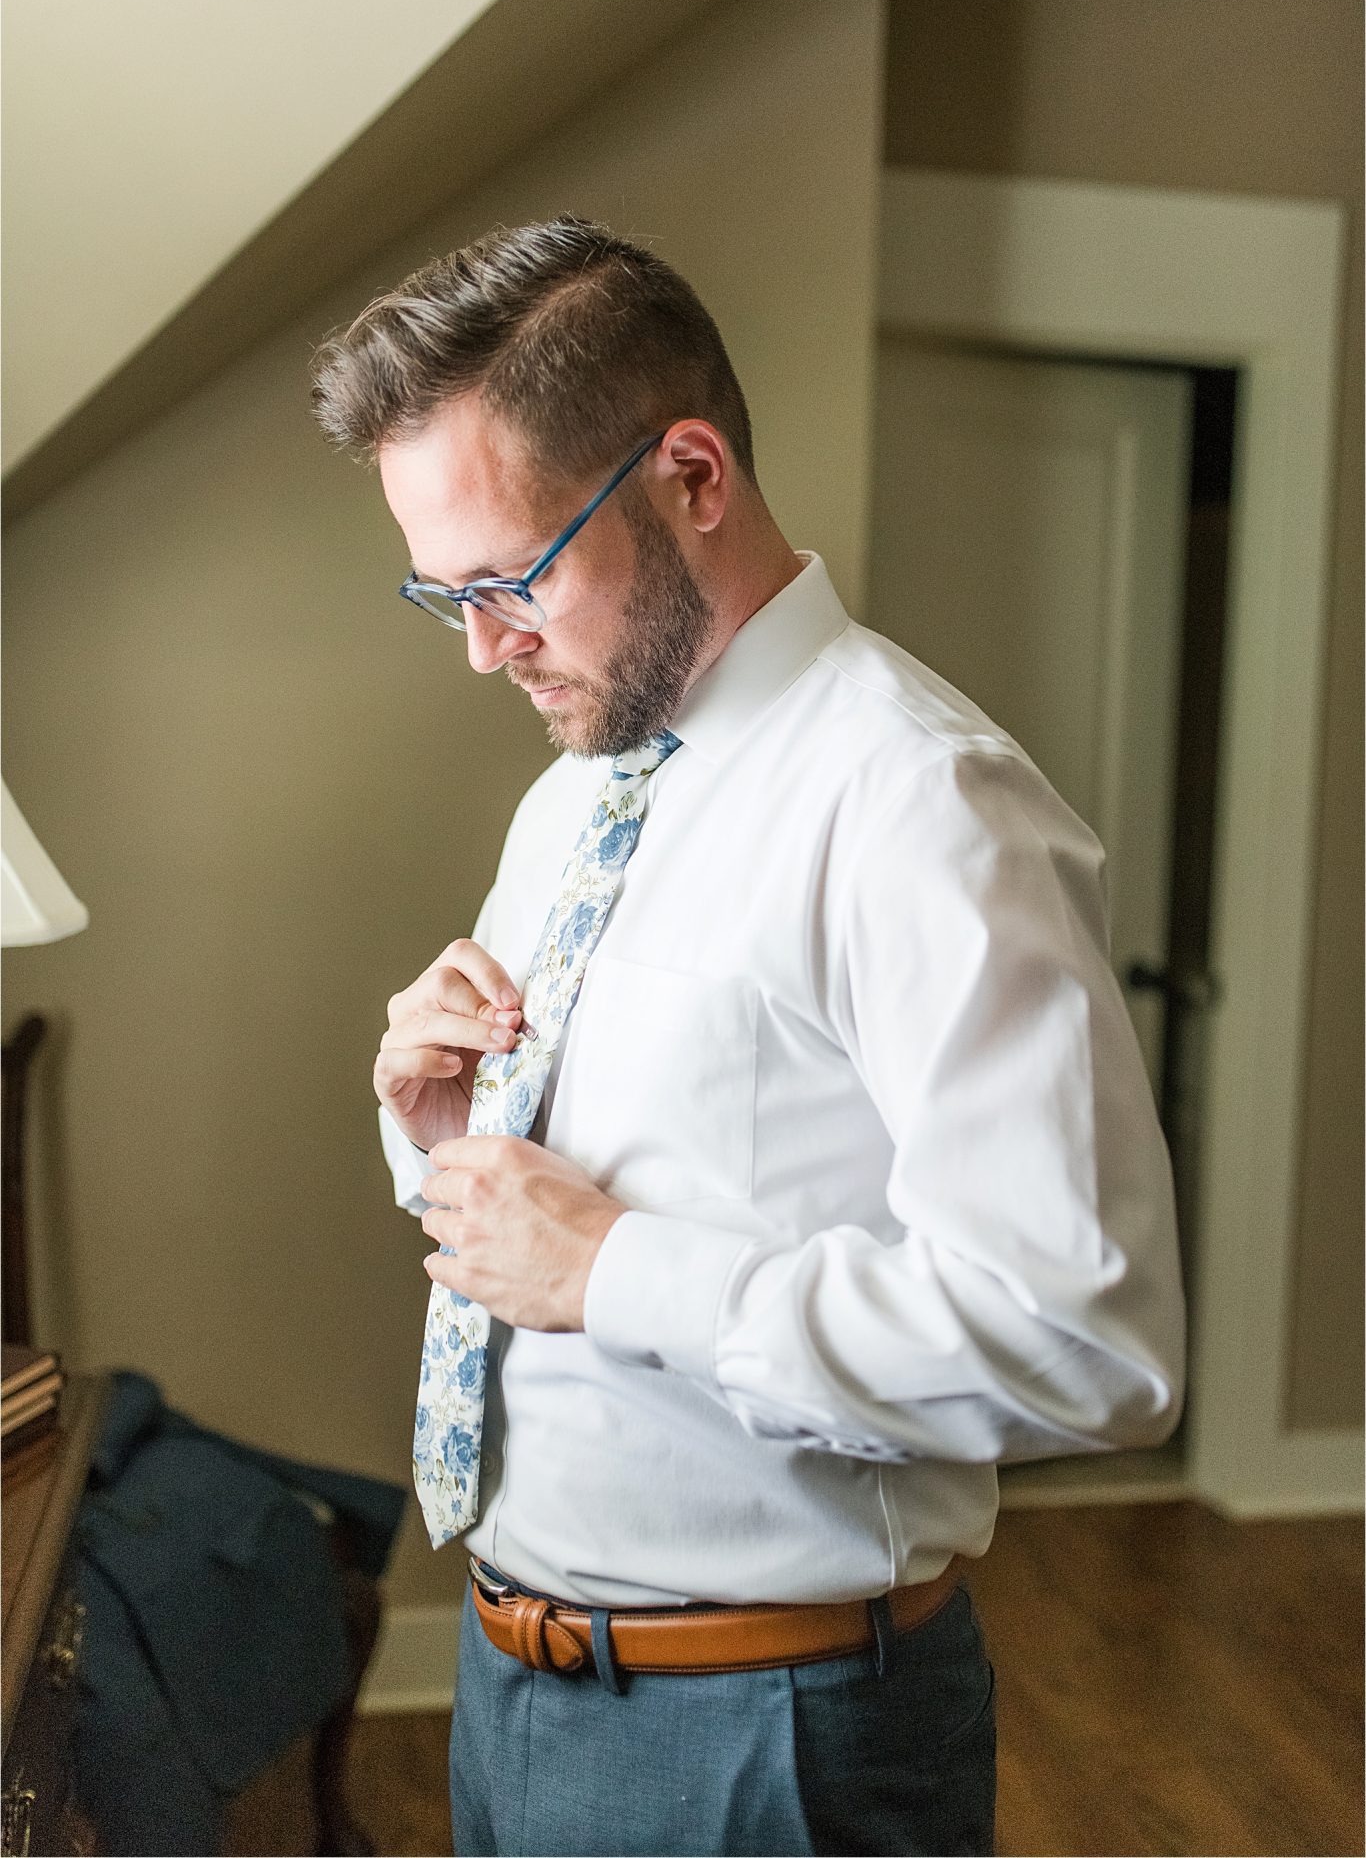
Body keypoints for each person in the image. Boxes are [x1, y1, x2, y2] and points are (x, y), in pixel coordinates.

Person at [310, 215, 1186, 1858]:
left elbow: (1088, 1337)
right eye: (445, 596)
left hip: (763, 1743)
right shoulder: (579, 790)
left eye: (512, 578)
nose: (486, 647)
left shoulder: (918, 803)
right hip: (521, 1695)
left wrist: (619, 1271)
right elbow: (601, 1199)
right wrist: (444, 1136)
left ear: (691, 475)